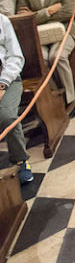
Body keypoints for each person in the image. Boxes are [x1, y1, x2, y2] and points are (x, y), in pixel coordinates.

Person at [0, 14, 30, 184]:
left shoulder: (2, 21)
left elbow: (16, 57)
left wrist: (2, 84)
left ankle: (21, 160)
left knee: (7, 117)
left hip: (7, 79)